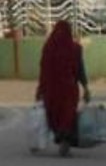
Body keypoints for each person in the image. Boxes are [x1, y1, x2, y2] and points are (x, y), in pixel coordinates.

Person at [35, 20, 90, 157]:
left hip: (51, 90)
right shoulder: (75, 48)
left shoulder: (48, 48)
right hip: (68, 89)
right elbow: (79, 70)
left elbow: (43, 70)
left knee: (54, 114)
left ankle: (60, 135)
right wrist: (86, 87)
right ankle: (65, 137)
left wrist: (40, 89)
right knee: (68, 115)